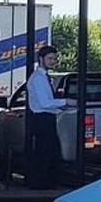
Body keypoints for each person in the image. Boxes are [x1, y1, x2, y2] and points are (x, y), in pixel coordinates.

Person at [26, 45, 73, 190]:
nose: (53, 61)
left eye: (54, 59)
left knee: (48, 152)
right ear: (41, 59)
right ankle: (42, 184)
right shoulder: (38, 79)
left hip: (46, 117)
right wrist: (65, 102)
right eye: (50, 58)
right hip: (42, 118)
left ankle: (45, 183)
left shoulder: (44, 78)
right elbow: (45, 103)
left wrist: (59, 107)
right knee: (46, 152)